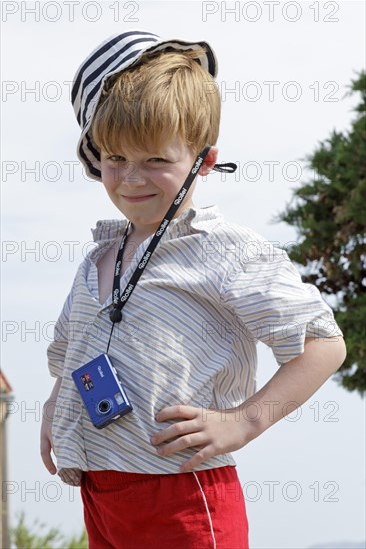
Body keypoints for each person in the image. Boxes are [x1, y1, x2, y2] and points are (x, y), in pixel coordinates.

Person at [40, 30, 346, 549]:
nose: (132, 178)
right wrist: (54, 407)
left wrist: (243, 422)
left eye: (156, 160)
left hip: (185, 495)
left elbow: (324, 345)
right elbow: (73, 355)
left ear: (203, 160)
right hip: (101, 491)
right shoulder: (97, 259)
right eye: (116, 158)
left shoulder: (227, 252)